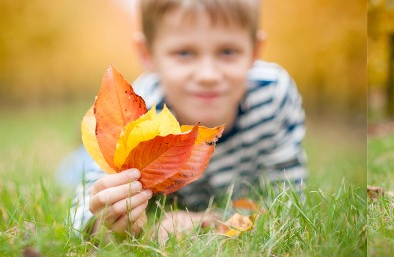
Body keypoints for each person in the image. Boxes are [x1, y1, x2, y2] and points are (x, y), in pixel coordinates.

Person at [60, 0, 307, 238]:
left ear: (254, 51)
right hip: (100, 158)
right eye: (184, 52)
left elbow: (287, 202)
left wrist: (210, 219)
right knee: (74, 172)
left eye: (228, 52)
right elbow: (85, 205)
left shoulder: (274, 96)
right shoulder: (141, 113)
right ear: (148, 54)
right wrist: (101, 221)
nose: (207, 75)